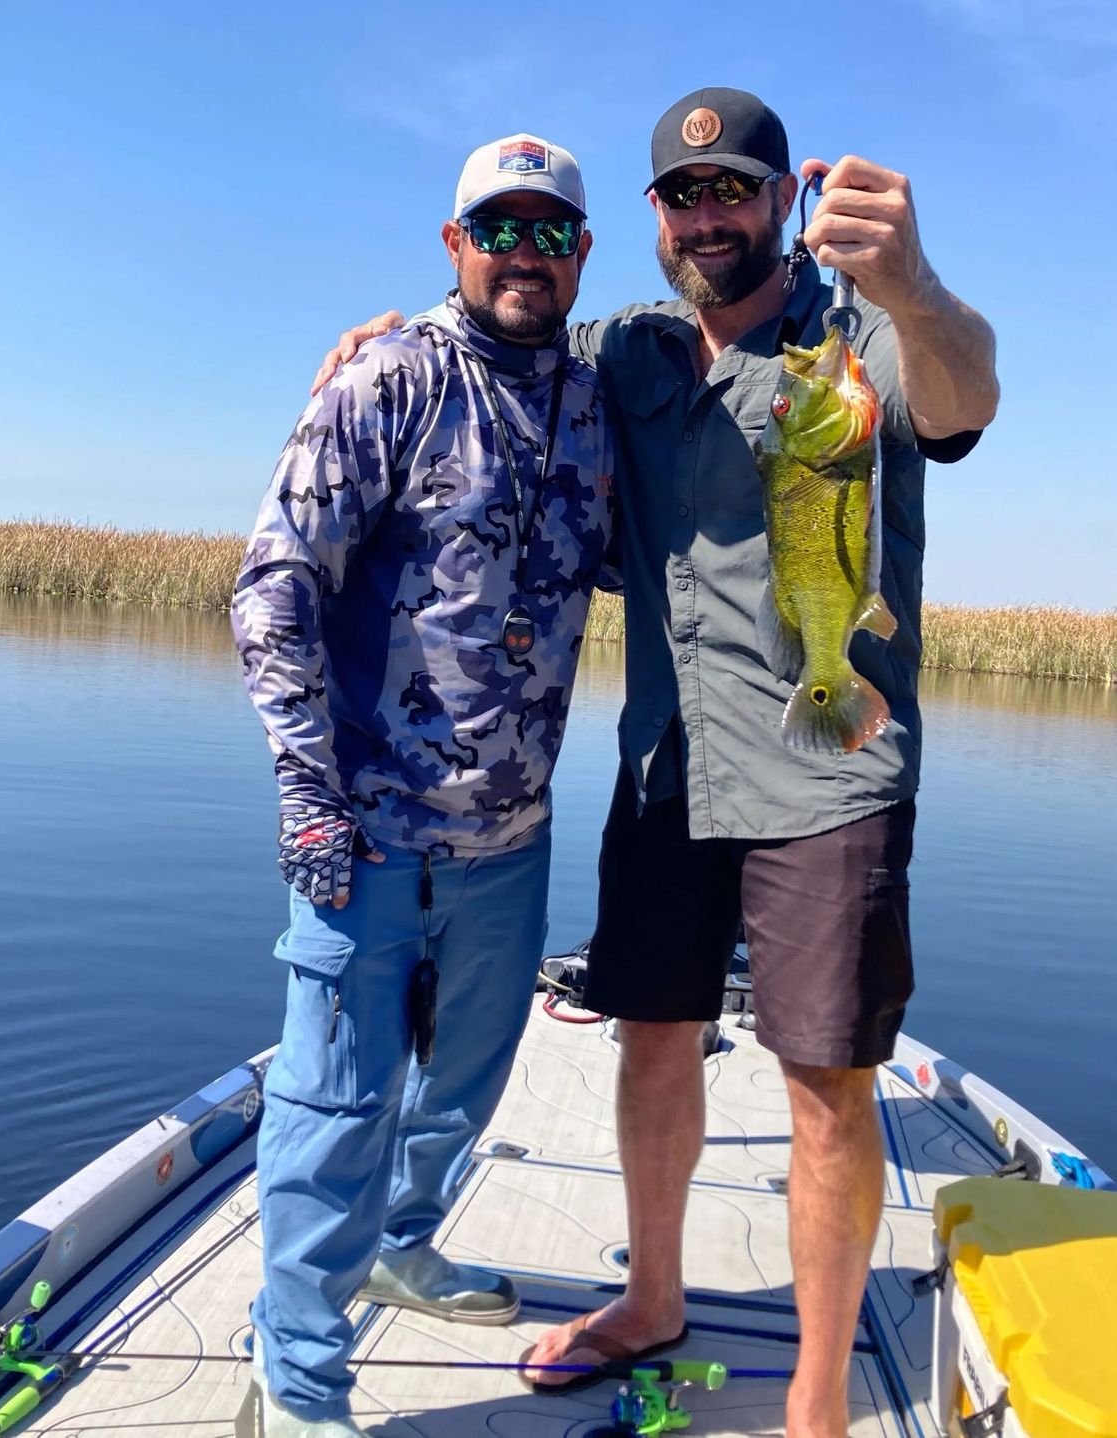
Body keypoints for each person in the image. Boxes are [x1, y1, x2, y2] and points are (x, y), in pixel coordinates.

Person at [314, 87, 999, 1438]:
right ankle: (653, 1298)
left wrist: (913, 280)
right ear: (652, 218)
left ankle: (811, 1387)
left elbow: (966, 395)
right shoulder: (619, 349)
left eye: (734, 189)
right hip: (663, 764)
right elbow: (496, 340)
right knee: (650, 1036)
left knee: (822, 1079)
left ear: (780, 196)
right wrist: (388, 343)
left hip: (827, 761)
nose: (709, 216)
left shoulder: (859, 328)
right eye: (684, 197)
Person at [232, 132, 614, 1437]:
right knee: (334, 1104)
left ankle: (402, 1243)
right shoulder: (387, 382)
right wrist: (306, 793)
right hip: (367, 833)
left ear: (580, 255)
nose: (523, 251)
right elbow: (271, 593)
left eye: (549, 231)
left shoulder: (598, 401)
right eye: (496, 228)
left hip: (511, 839)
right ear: (453, 245)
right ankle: (295, 1378)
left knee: (460, 1089)